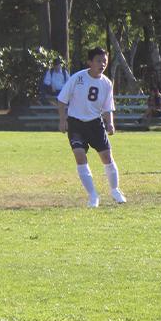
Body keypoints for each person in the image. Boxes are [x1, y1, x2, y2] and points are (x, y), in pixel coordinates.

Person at [56, 47, 125, 207]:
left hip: (95, 124)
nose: (102, 64)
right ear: (90, 62)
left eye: (105, 61)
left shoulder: (106, 83)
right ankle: (93, 196)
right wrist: (62, 120)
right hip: (76, 124)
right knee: (80, 156)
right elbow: (62, 100)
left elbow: (108, 106)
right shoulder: (77, 78)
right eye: (99, 61)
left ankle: (115, 190)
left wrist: (110, 123)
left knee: (107, 157)